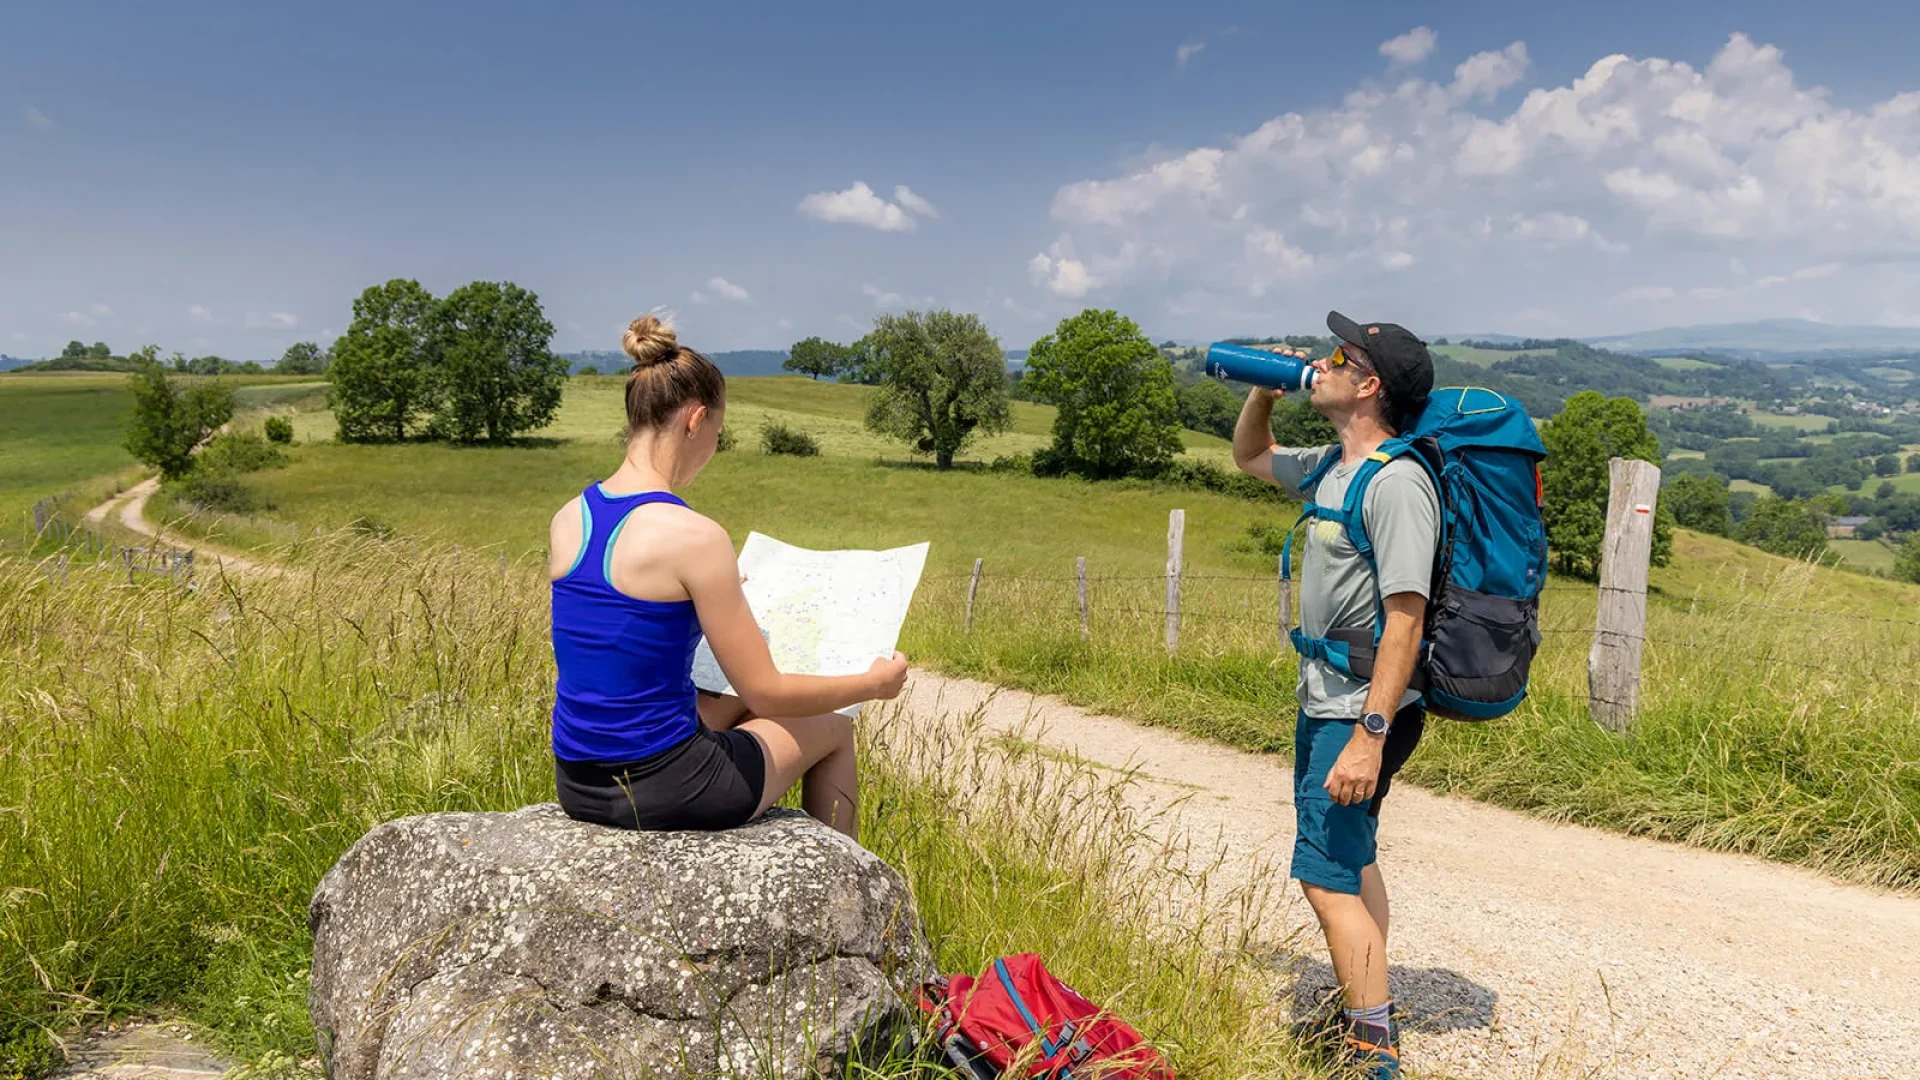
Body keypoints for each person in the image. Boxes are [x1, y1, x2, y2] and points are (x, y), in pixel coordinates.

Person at [547, 314, 908, 841]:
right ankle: (844, 887)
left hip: (578, 781)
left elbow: (618, 642)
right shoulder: (695, 536)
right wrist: (874, 685)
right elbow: (768, 693)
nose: (713, 451)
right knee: (833, 727)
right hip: (666, 784)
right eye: (717, 434)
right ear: (695, 421)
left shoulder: (568, 517)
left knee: (727, 702)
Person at [1230, 311, 1437, 1080]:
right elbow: (1251, 456)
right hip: (1326, 697)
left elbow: (1405, 620)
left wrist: (1370, 733)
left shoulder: (1396, 483)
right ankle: (1366, 1007)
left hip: (1359, 710)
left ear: (1369, 384)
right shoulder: (1332, 464)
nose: (1325, 359)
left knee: (1323, 874)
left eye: (1341, 355)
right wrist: (1265, 391)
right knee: (1351, 861)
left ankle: (1371, 1057)